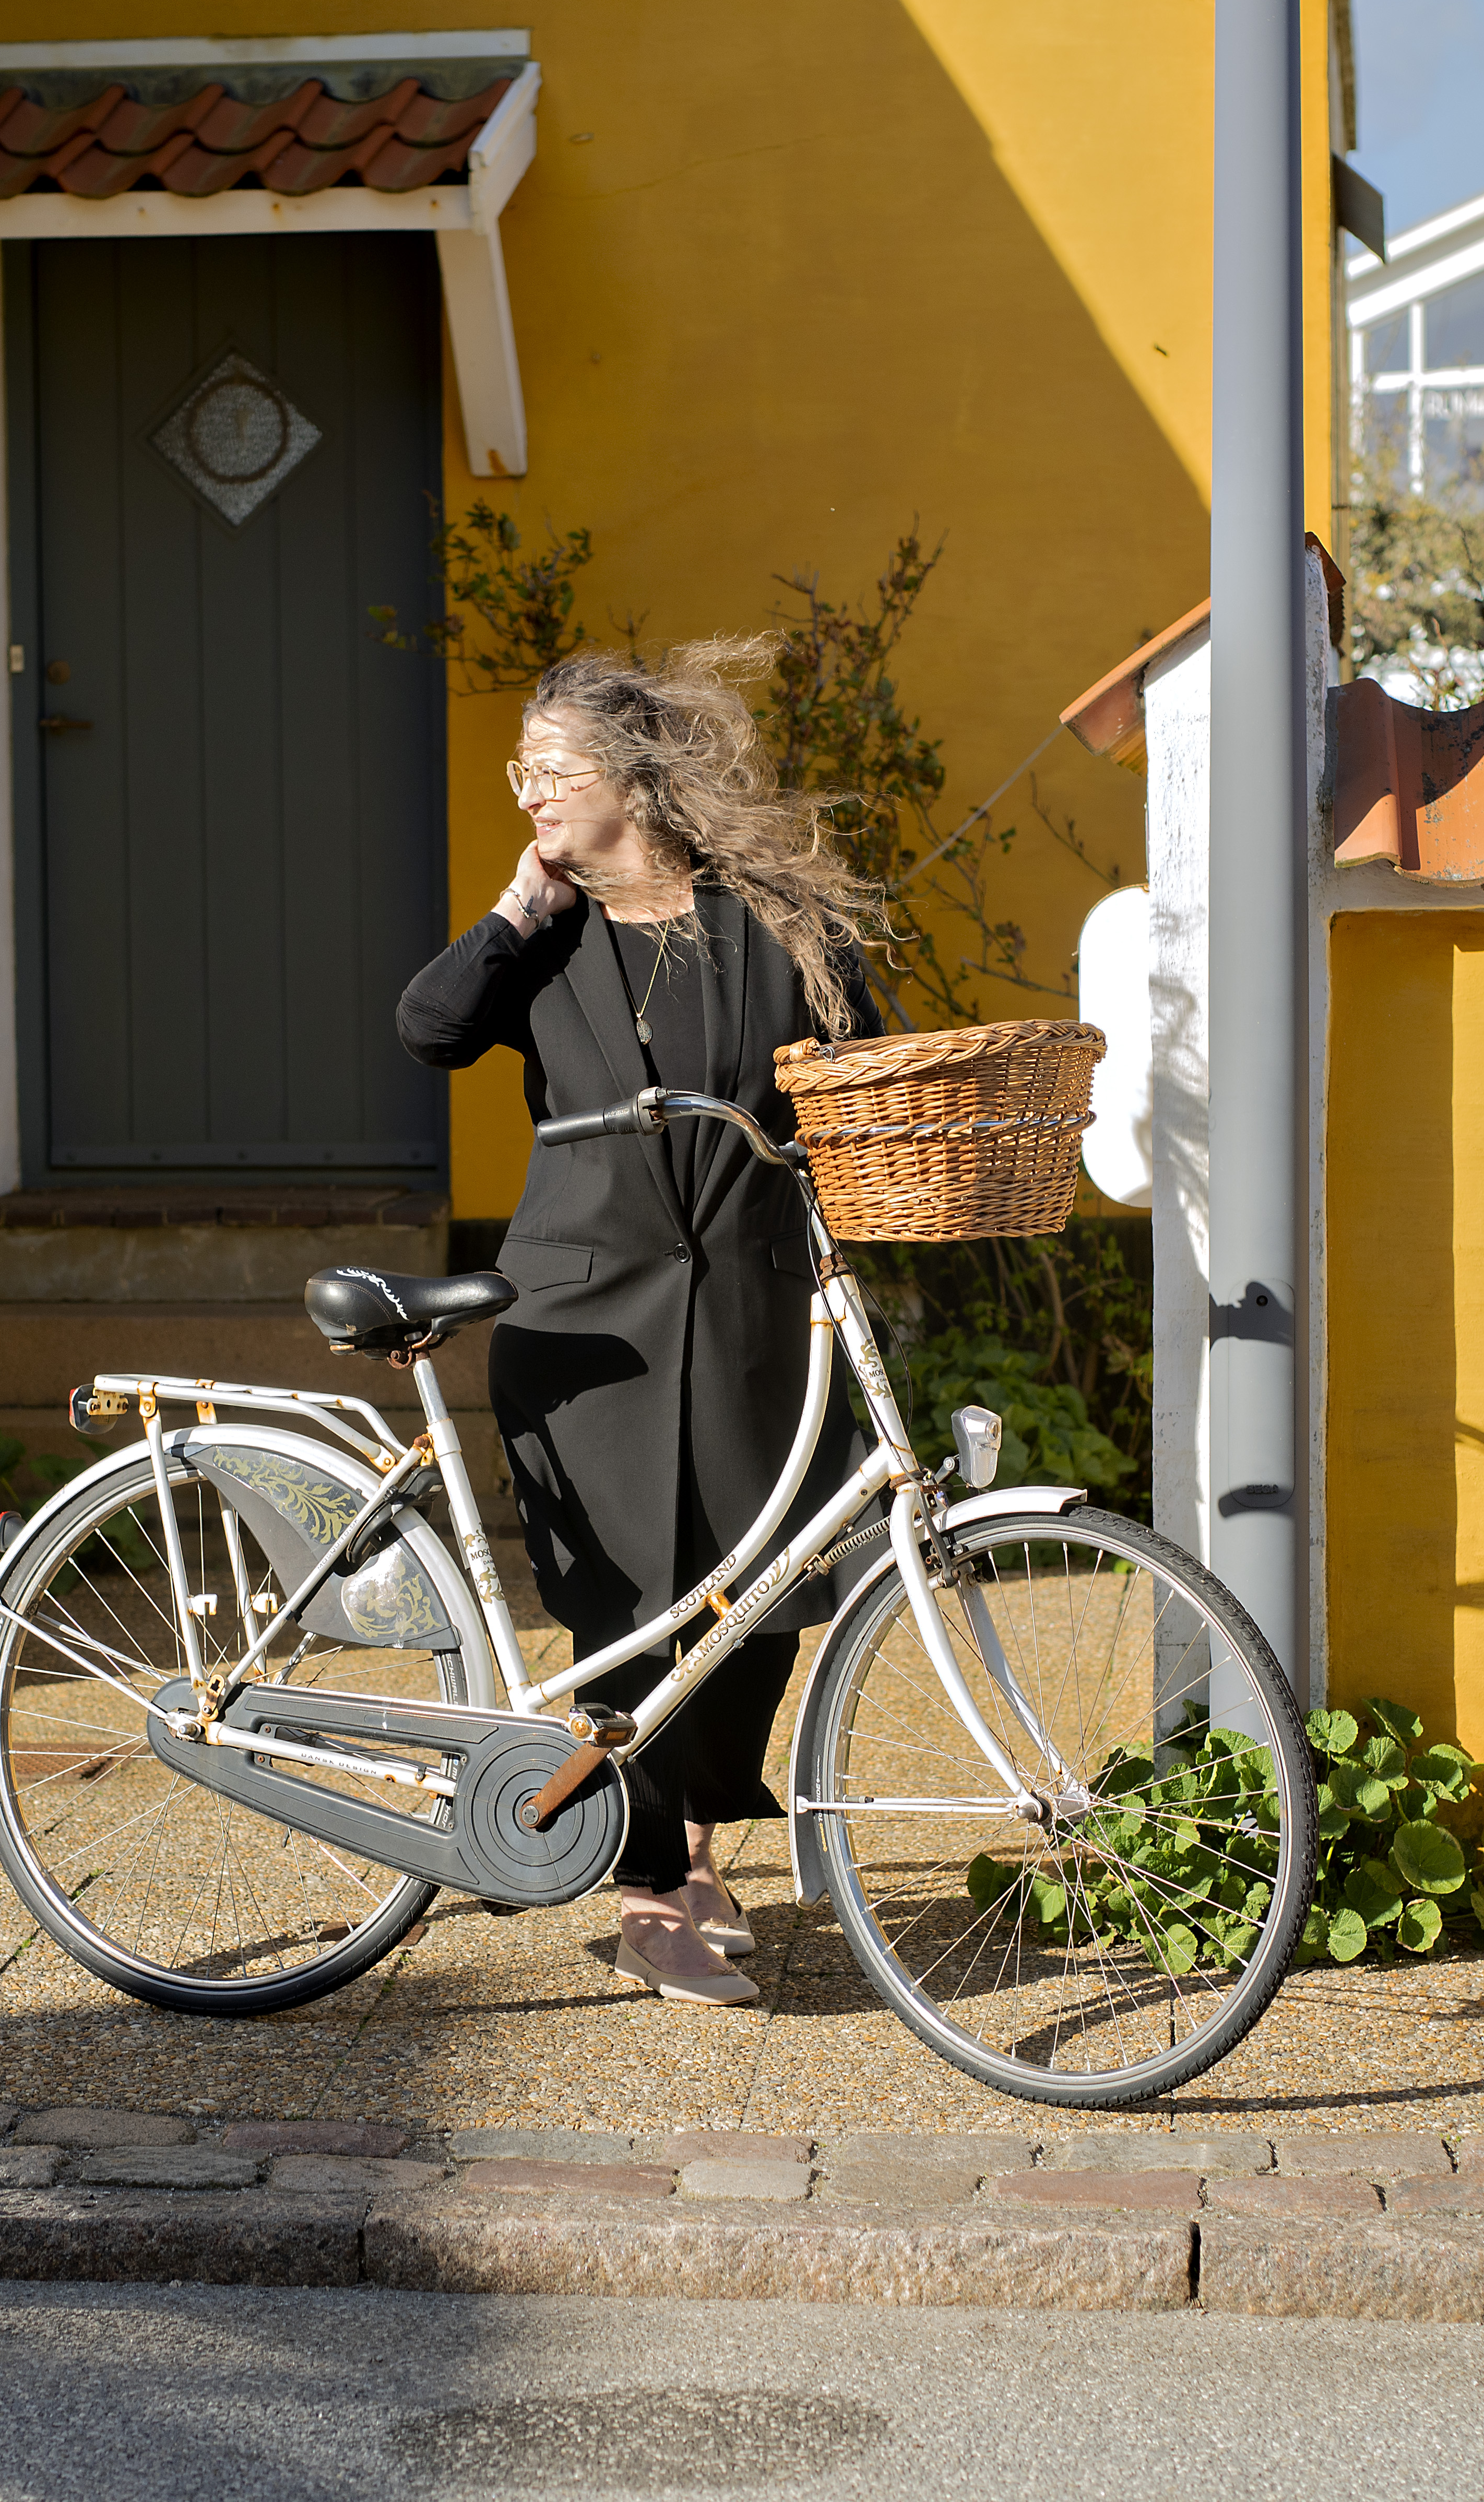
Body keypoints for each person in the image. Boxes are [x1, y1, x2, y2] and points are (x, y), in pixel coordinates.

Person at [395, 636, 885, 2007]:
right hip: (587, 1317)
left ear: (632, 774)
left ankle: (696, 1844)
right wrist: (517, 905)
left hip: (750, 1307)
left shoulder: (772, 922)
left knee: (761, 1598)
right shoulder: (549, 939)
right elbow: (430, 1029)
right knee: (626, 1612)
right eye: (522, 771)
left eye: (552, 769)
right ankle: (650, 1883)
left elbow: (864, 1068)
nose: (529, 793)